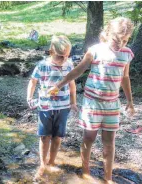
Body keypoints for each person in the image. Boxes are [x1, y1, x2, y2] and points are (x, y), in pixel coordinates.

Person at [47, 17, 135, 184]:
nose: (120, 44)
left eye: (125, 40)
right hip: (92, 103)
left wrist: (130, 101)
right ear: (107, 34)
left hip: (112, 104)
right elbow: (78, 71)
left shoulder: (127, 54)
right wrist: (59, 85)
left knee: (109, 143)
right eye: (117, 39)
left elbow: (125, 77)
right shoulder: (95, 50)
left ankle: (107, 177)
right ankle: (85, 171)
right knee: (89, 138)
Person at [27, 35, 77, 180]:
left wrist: (73, 102)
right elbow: (33, 82)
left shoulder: (69, 65)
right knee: (45, 136)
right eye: (61, 57)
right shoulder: (42, 65)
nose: (64, 60)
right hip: (45, 106)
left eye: (67, 56)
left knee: (57, 136)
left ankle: (52, 160)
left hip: (63, 107)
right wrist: (29, 98)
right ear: (51, 52)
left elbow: (72, 85)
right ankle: (43, 163)